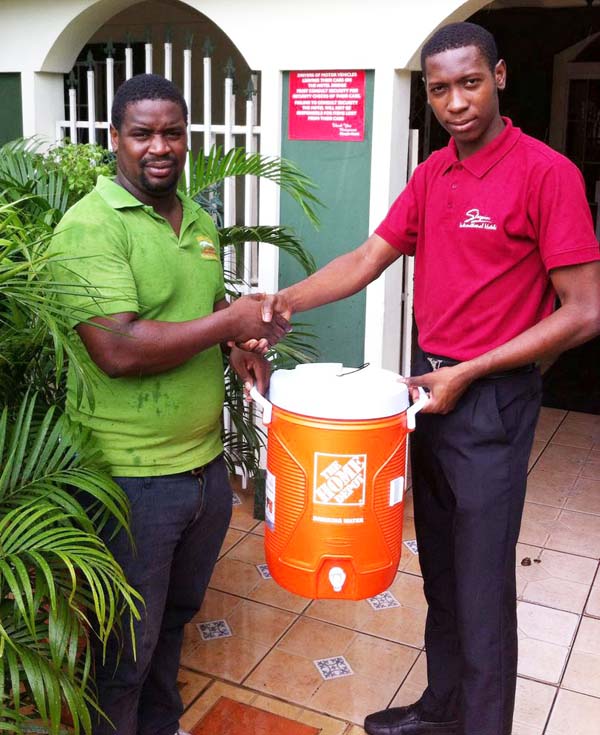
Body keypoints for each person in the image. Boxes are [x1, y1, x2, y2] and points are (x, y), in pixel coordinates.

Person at [257, 22, 600, 735]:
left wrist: (470, 372)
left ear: (500, 76)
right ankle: (441, 709)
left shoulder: (546, 173)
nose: (456, 102)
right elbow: (366, 257)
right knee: (441, 573)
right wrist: (282, 302)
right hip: (428, 397)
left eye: (469, 82)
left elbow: (585, 312)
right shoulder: (431, 174)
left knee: (481, 589)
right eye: (439, 89)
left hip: (490, 402)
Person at [49, 74, 289, 735]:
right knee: (124, 647)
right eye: (143, 132)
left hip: (203, 468)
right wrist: (228, 320)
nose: (160, 146)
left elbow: (204, 307)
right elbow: (119, 348)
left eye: (173, 132)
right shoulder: (90, 227)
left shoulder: (200, 219)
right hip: (130, 477)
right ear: (114, 139)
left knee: (173, 622)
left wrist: (239, 337)